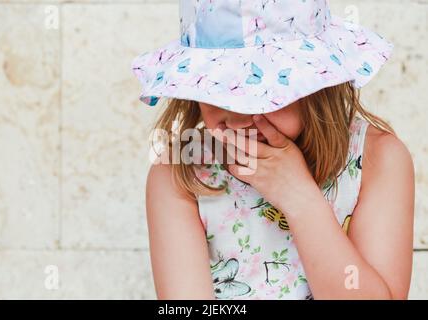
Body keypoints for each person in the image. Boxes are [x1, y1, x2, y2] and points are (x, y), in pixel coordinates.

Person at [131, 0, 414, 300]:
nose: (236, 116)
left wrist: (300, 200)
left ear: (315, 84)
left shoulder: (377, 161)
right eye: (217, 90)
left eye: (259, 90)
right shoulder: (180, 176)